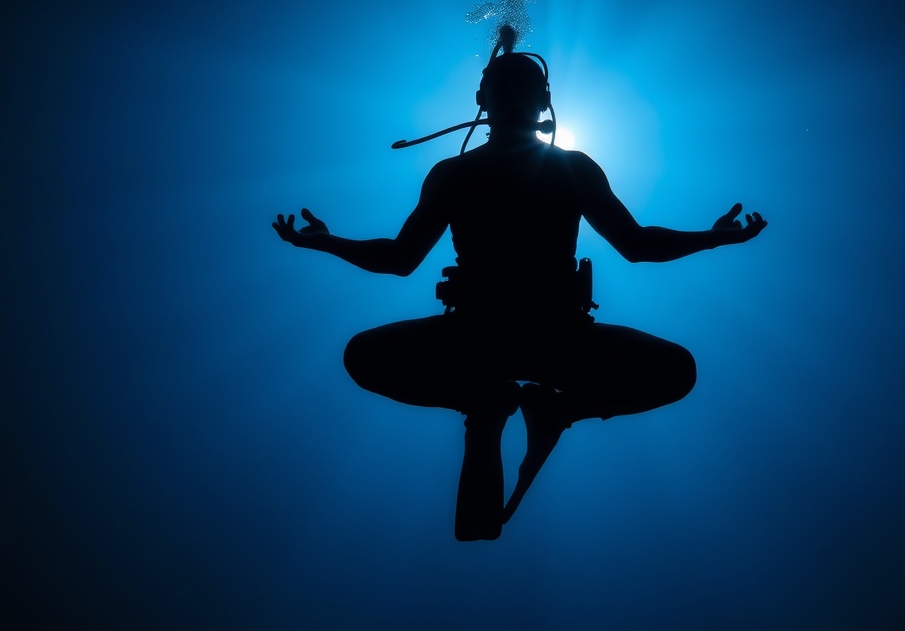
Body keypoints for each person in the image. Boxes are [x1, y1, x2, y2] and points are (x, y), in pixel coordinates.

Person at [273, 28, 766, 541]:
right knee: (361, 356)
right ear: (485, 99)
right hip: (485, 337)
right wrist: (326, 243)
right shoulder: (459, 174)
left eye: (520, 88)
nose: (512, 98)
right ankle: (485, 405)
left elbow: (638, 243)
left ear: (541, 100)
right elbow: (399, 259)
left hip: (550, 336)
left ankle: (547, 408)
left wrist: (715, 238)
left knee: (677, 371)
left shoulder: (556, 169)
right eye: (503, 88)